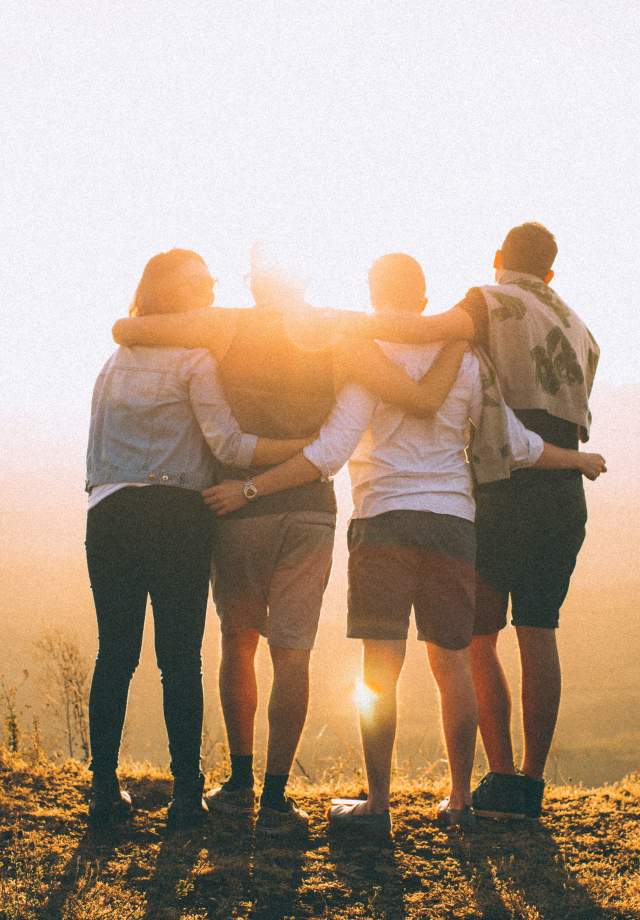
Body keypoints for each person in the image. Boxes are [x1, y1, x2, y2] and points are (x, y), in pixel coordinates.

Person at [203, 253, 605, 833]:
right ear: (423, 299)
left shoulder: (365, 358)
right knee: (453, 665)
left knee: (380, 670)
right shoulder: (466, 360)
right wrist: (579, 459)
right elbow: (517, 444)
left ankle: (378, 806)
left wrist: (251, 488)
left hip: (383, 521)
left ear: (373, 293)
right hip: (453, 524)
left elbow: (329, 453)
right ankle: (462, 800)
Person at [111, 252, 471, 836]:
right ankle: (277, 798)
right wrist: (457, 333)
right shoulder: (335, 328)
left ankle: (240, 782)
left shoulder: (225, 323)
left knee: (238, 640)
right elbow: (417, 366)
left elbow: (131, 328)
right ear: (305, 278)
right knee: (293, 653)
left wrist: (128, 325)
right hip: (310, 508)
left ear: (254, 280)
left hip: (237, 506)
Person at [85, 249, 313, 829]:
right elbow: (231, 448)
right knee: (178, 659)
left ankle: (104, 790)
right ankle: (187, 795)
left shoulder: (114, 362)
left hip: (109, 514)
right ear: (177, 294)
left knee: (115, 653)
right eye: (201, 283)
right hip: (177, 518)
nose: (212, 289)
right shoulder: (194, 360)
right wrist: (303, 449)